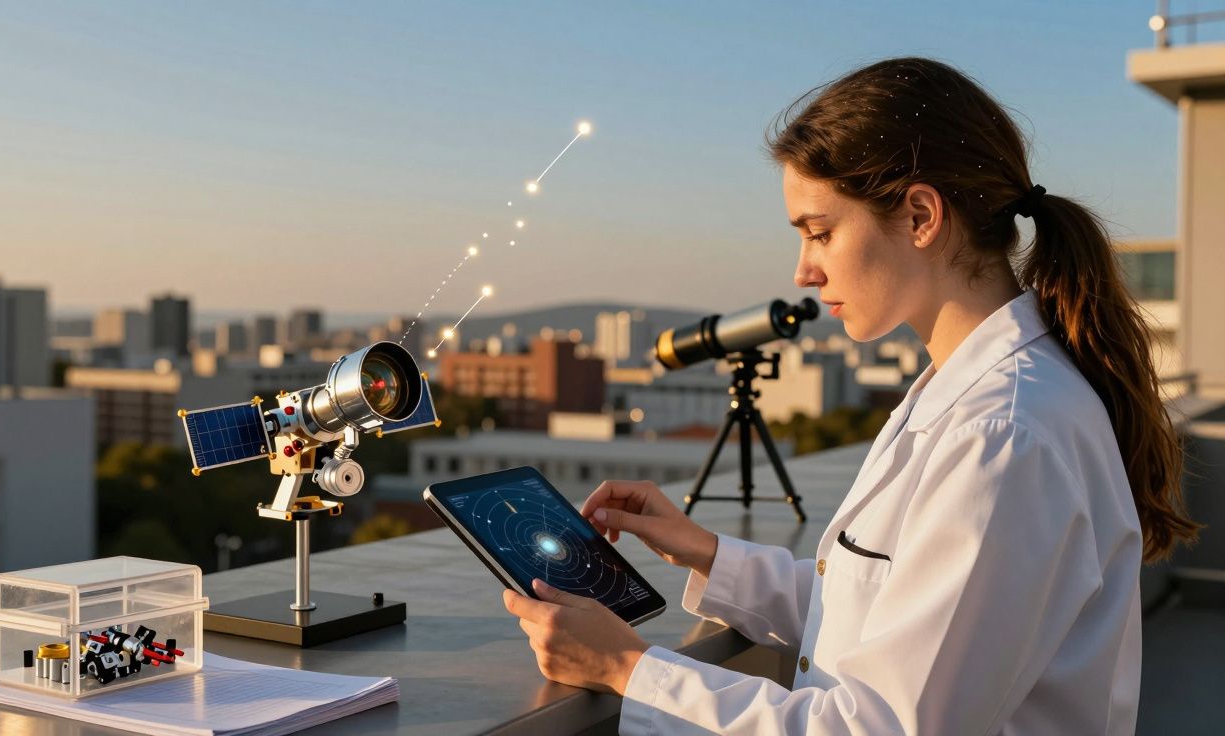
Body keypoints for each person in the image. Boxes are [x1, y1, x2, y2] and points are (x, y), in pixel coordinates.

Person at [502, 56, 1199, 734]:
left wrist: (630, 668)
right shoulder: (969, 395)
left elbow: (886, 727)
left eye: (821, 232)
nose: (804, 270)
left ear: (921, 216)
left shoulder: (1003, 435)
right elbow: (886, 612)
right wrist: (708, 555)